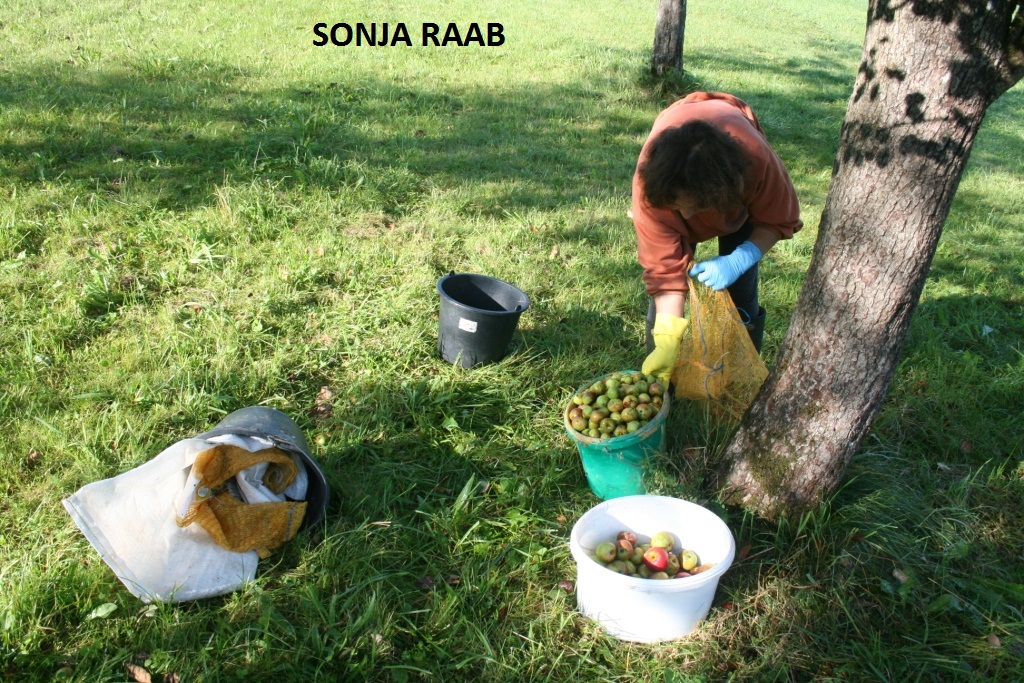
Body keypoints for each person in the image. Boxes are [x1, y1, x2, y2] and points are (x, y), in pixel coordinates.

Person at [631, 91, 803, 384]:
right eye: (677, 206)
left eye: (696, 206)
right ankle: (662, 381)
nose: (686, 218)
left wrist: (741, 258)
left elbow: (777, 220)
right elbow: (664, 271)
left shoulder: (756, 162)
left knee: (741, 293)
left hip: (734, 201)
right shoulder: (652, 186)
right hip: (686, 189)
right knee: (661, 309)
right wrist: (667, 337)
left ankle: (739, 377)